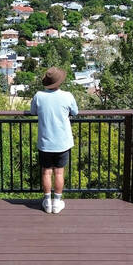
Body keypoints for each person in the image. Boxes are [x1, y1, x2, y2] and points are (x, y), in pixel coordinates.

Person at [29, 67, 78, 214]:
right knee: (59, 173)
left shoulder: (39, 96)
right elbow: (75, 112)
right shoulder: (68, 96)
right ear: (59, 81)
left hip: (45, 142)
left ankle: (47, 202)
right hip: (62, 142)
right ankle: (57, 202)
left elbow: (33, 111)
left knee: (46, 173)